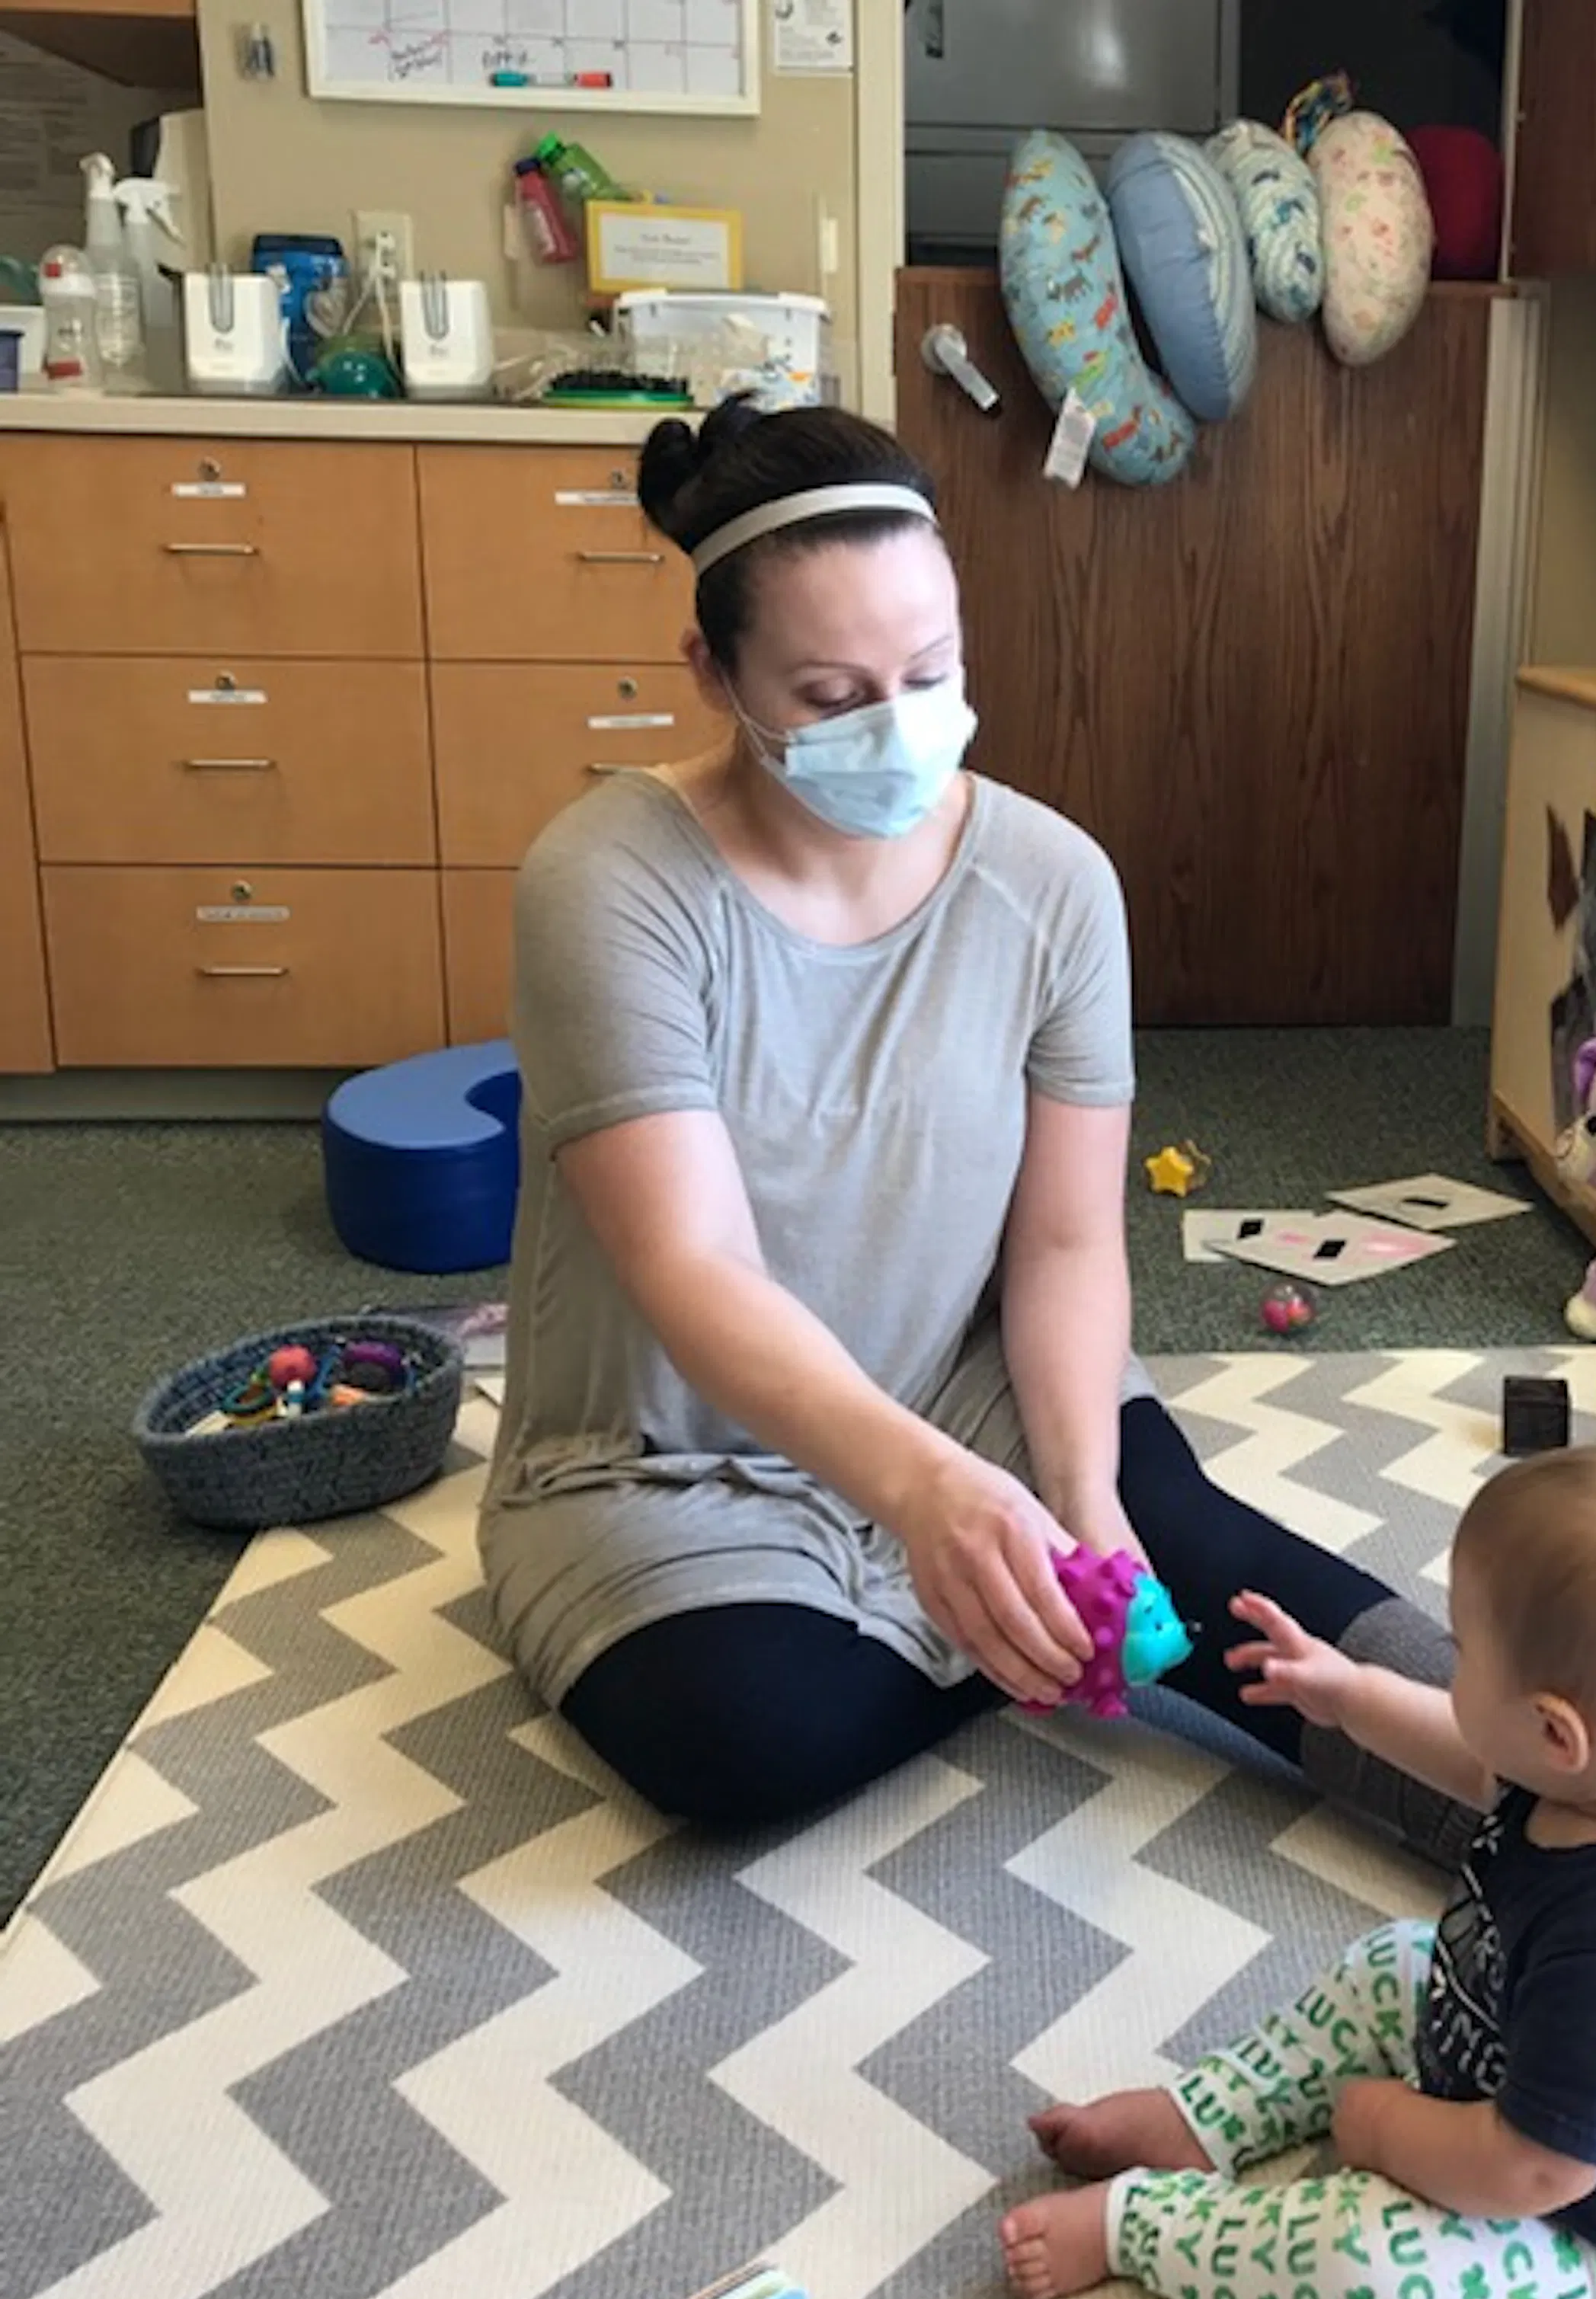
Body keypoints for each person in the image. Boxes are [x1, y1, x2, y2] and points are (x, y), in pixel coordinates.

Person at [477, 395, 1470, 1863]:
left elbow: (1063, 1243)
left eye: (930, 672)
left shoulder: (1053, 882)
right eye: (831, 694)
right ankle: (1016, 1629)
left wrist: (1075, 1496)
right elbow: (695, 1269)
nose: (896, 724)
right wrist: (935, 1501)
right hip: (671, 1451)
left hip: (967, 1377)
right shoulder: (609, 882)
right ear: (712, 671)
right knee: (745, 1728)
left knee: (1187, 1546)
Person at [1001, 1440, 1596, 2299]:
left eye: (1464, 1654)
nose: (1450, 1667)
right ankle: (1203, 2121)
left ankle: (1148, 2228)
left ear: (1558, 1735)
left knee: (1362, 2267)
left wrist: (1386, 2130)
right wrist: (1351, 1695)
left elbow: (1536, 2170)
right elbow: (1478, 1762)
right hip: (1520, 2045)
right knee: (1392, 1962)